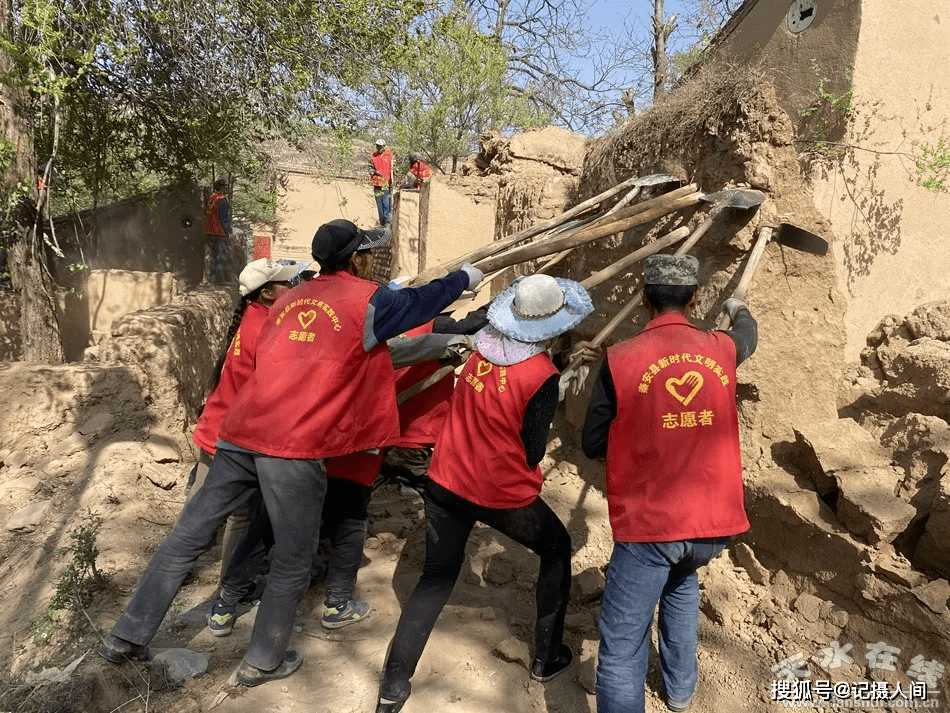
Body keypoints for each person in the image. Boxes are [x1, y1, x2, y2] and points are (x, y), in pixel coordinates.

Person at [98, 218, 484, 688]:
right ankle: (263, 660)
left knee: (186, 536)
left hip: (240, 434)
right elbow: (423, 302)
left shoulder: (288, 298)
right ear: (358, 259)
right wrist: (465, 278)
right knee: (293, 559)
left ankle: (125, 636)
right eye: (367, 254)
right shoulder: (367, 301)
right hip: (293, 447)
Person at [375, 273, 594, 713]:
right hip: (498, 491)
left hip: (445, 481)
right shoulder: (541, 375)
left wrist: (562, 368)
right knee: (557, 549)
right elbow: (532, 451)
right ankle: (547, 656)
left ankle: (393, 686)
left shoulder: (479, 348)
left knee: (435, 580)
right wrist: (560, 384)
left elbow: (505, 389)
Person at [581, 254, 758, 713]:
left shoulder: (620, 359)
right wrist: (740, 307)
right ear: (695, 297)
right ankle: (680, 693)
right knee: (680, 586)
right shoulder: (722, 348)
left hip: (652, 527)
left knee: (621, 647)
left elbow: (593, 440)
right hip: (711, 526)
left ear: (644, 299)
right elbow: (747, 337)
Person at [187, 257, 310, 588]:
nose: (294, 287)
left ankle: (179, 567)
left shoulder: (251, 318)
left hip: (214, 423)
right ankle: (231, 585)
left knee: (198, 506)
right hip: (233, 435)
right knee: (241, 516)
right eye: (288, 283)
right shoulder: (269, 328)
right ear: (269, 293)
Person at [204, 178, 232, 283]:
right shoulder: (223, 200)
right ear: (222, 188)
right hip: (219, 232)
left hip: (208, 231)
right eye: (226, 186)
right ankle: (218, 280)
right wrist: (229, 230)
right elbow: (224, 219)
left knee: (212, 256)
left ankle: (211, 279)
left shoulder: (210, 198)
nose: (228, 189)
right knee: (220, 256)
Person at [371, 139, 394, 227]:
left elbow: (392, 168)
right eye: (377, 146)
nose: (378, 148)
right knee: (379, 203)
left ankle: (387, 222)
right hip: (377, 182)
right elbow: (369, 168)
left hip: (386, 183)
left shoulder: (389, 155)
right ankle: (382, 223)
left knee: (386, 203)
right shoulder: (373, 156)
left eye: (380, 146)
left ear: (384, 146)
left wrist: (392, 179)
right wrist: (374, 172)